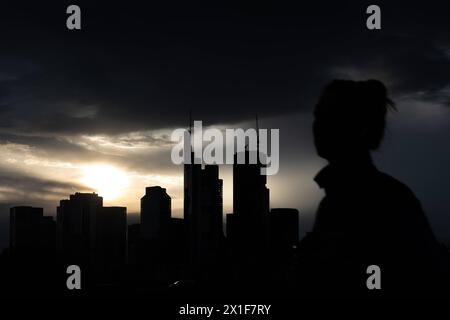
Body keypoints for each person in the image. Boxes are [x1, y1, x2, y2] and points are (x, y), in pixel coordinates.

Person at [298, 79, 449, 298]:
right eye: (317, 115)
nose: (318, 125)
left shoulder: (379, 199)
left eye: (330, 116)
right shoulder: (344, 197)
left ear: (359, 128)